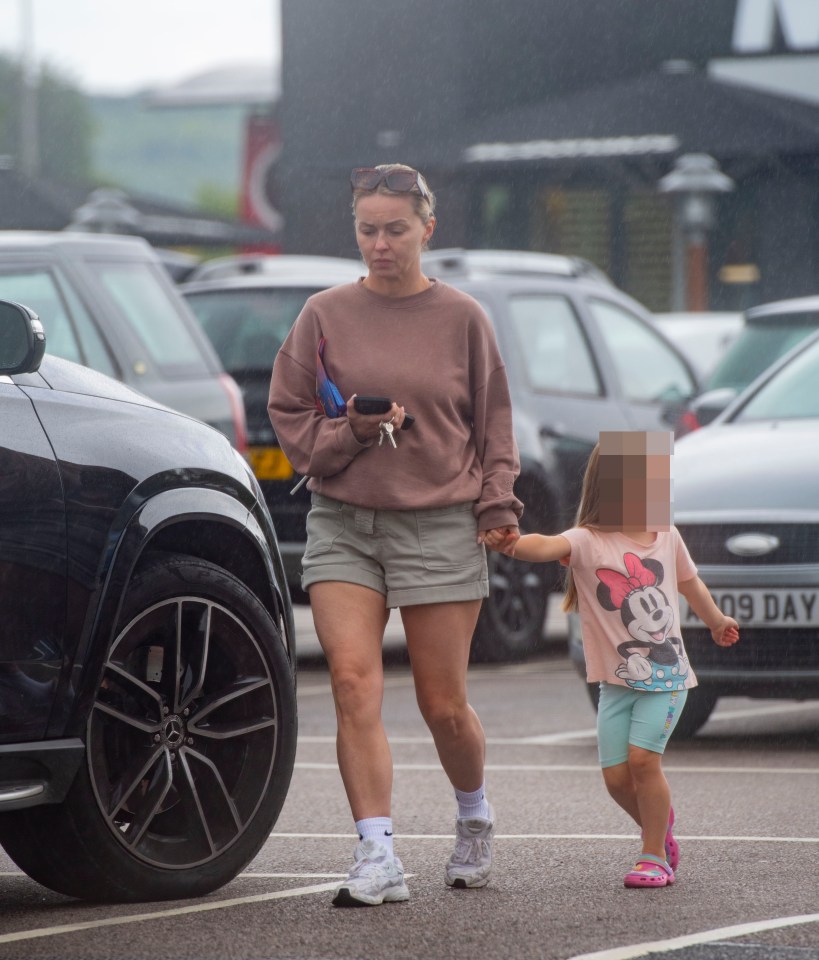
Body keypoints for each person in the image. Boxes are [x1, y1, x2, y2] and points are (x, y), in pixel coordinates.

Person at [267, 163, 522, 906]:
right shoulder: (321, 314)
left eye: (395, 230)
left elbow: (494, 423)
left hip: (441, 522)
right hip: (344, 521)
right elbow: (291, 419)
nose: (380, 244)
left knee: (442, 705)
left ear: (426, 229)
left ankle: (473, 814)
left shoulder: (464, 317)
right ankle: (376, 852)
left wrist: (497, 504)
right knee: (351, 682)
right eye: (367, 230)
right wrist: (351, 430)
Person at [484, 430, 739, 889]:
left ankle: (654, 854)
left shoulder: (666, 536)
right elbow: (544, 545)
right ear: (610, 486)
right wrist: (509, 543)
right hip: (615, 684)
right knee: (616, 778)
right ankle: (659, 825)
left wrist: (716, 620)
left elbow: (690, 584)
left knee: (643, 762)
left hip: (666, 677)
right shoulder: (587, 540)